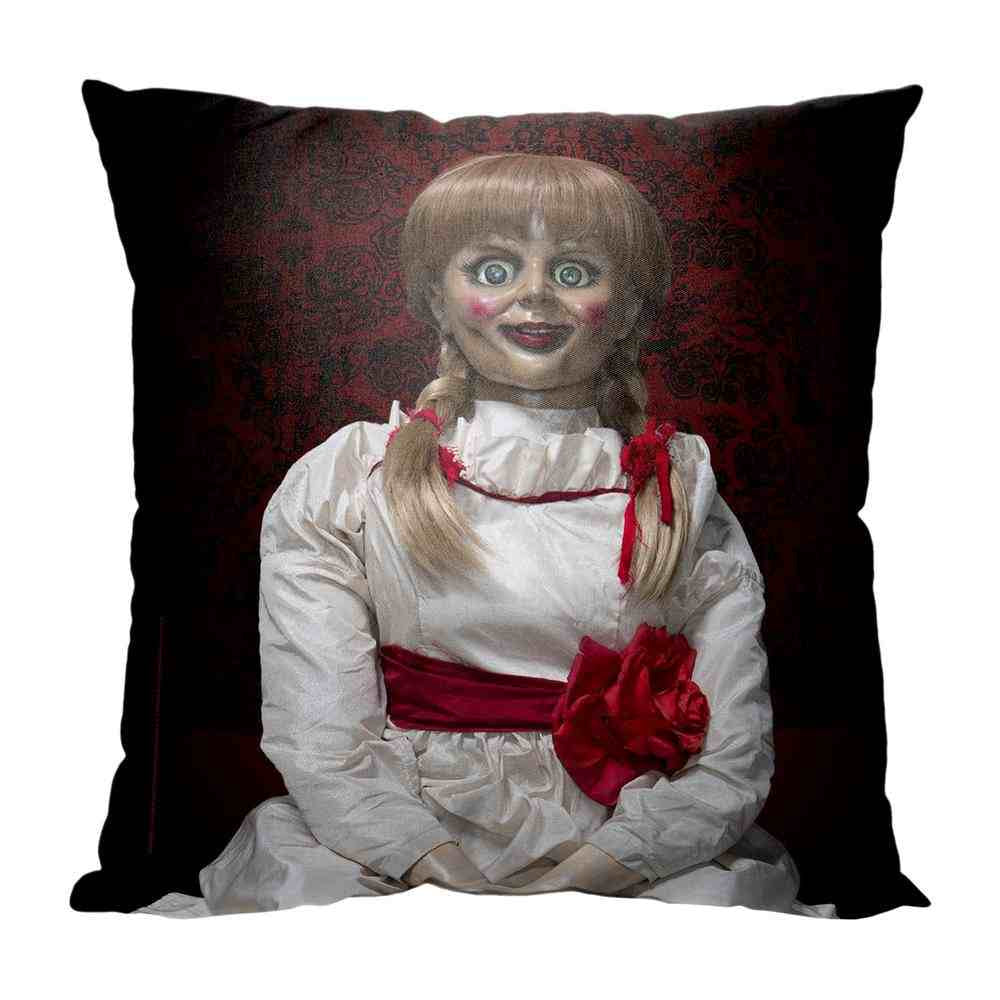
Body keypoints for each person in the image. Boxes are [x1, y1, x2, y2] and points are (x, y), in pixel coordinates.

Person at [137, 153, 835, 919]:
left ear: (629, 307)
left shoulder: (678, 491)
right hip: (397, 833)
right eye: (494, 270)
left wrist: (596, 874)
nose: (534, 293)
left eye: (573, 272)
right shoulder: (349, 479)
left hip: (626, 845)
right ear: (436, 299)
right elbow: (323, 731)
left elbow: (730, 752)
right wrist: (434, 871)